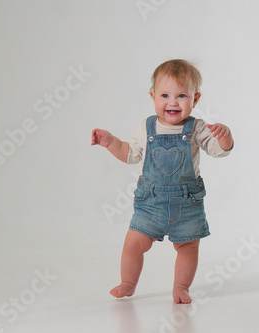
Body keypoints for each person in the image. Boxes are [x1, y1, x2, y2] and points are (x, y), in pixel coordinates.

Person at [91, 59, 234, 303]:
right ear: (153, 96)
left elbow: (218, 150)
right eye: (165, 95)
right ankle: (128, 282)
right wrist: (111, 142)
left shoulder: (196, 127)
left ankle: (181, 287)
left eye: (181, 95)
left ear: (195, 99)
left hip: (187, 204)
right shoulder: (146, 127)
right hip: (150, 203)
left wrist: (225, 137)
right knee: (133, 243)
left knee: (188, 249)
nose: (173, 102)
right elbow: (131, 153)